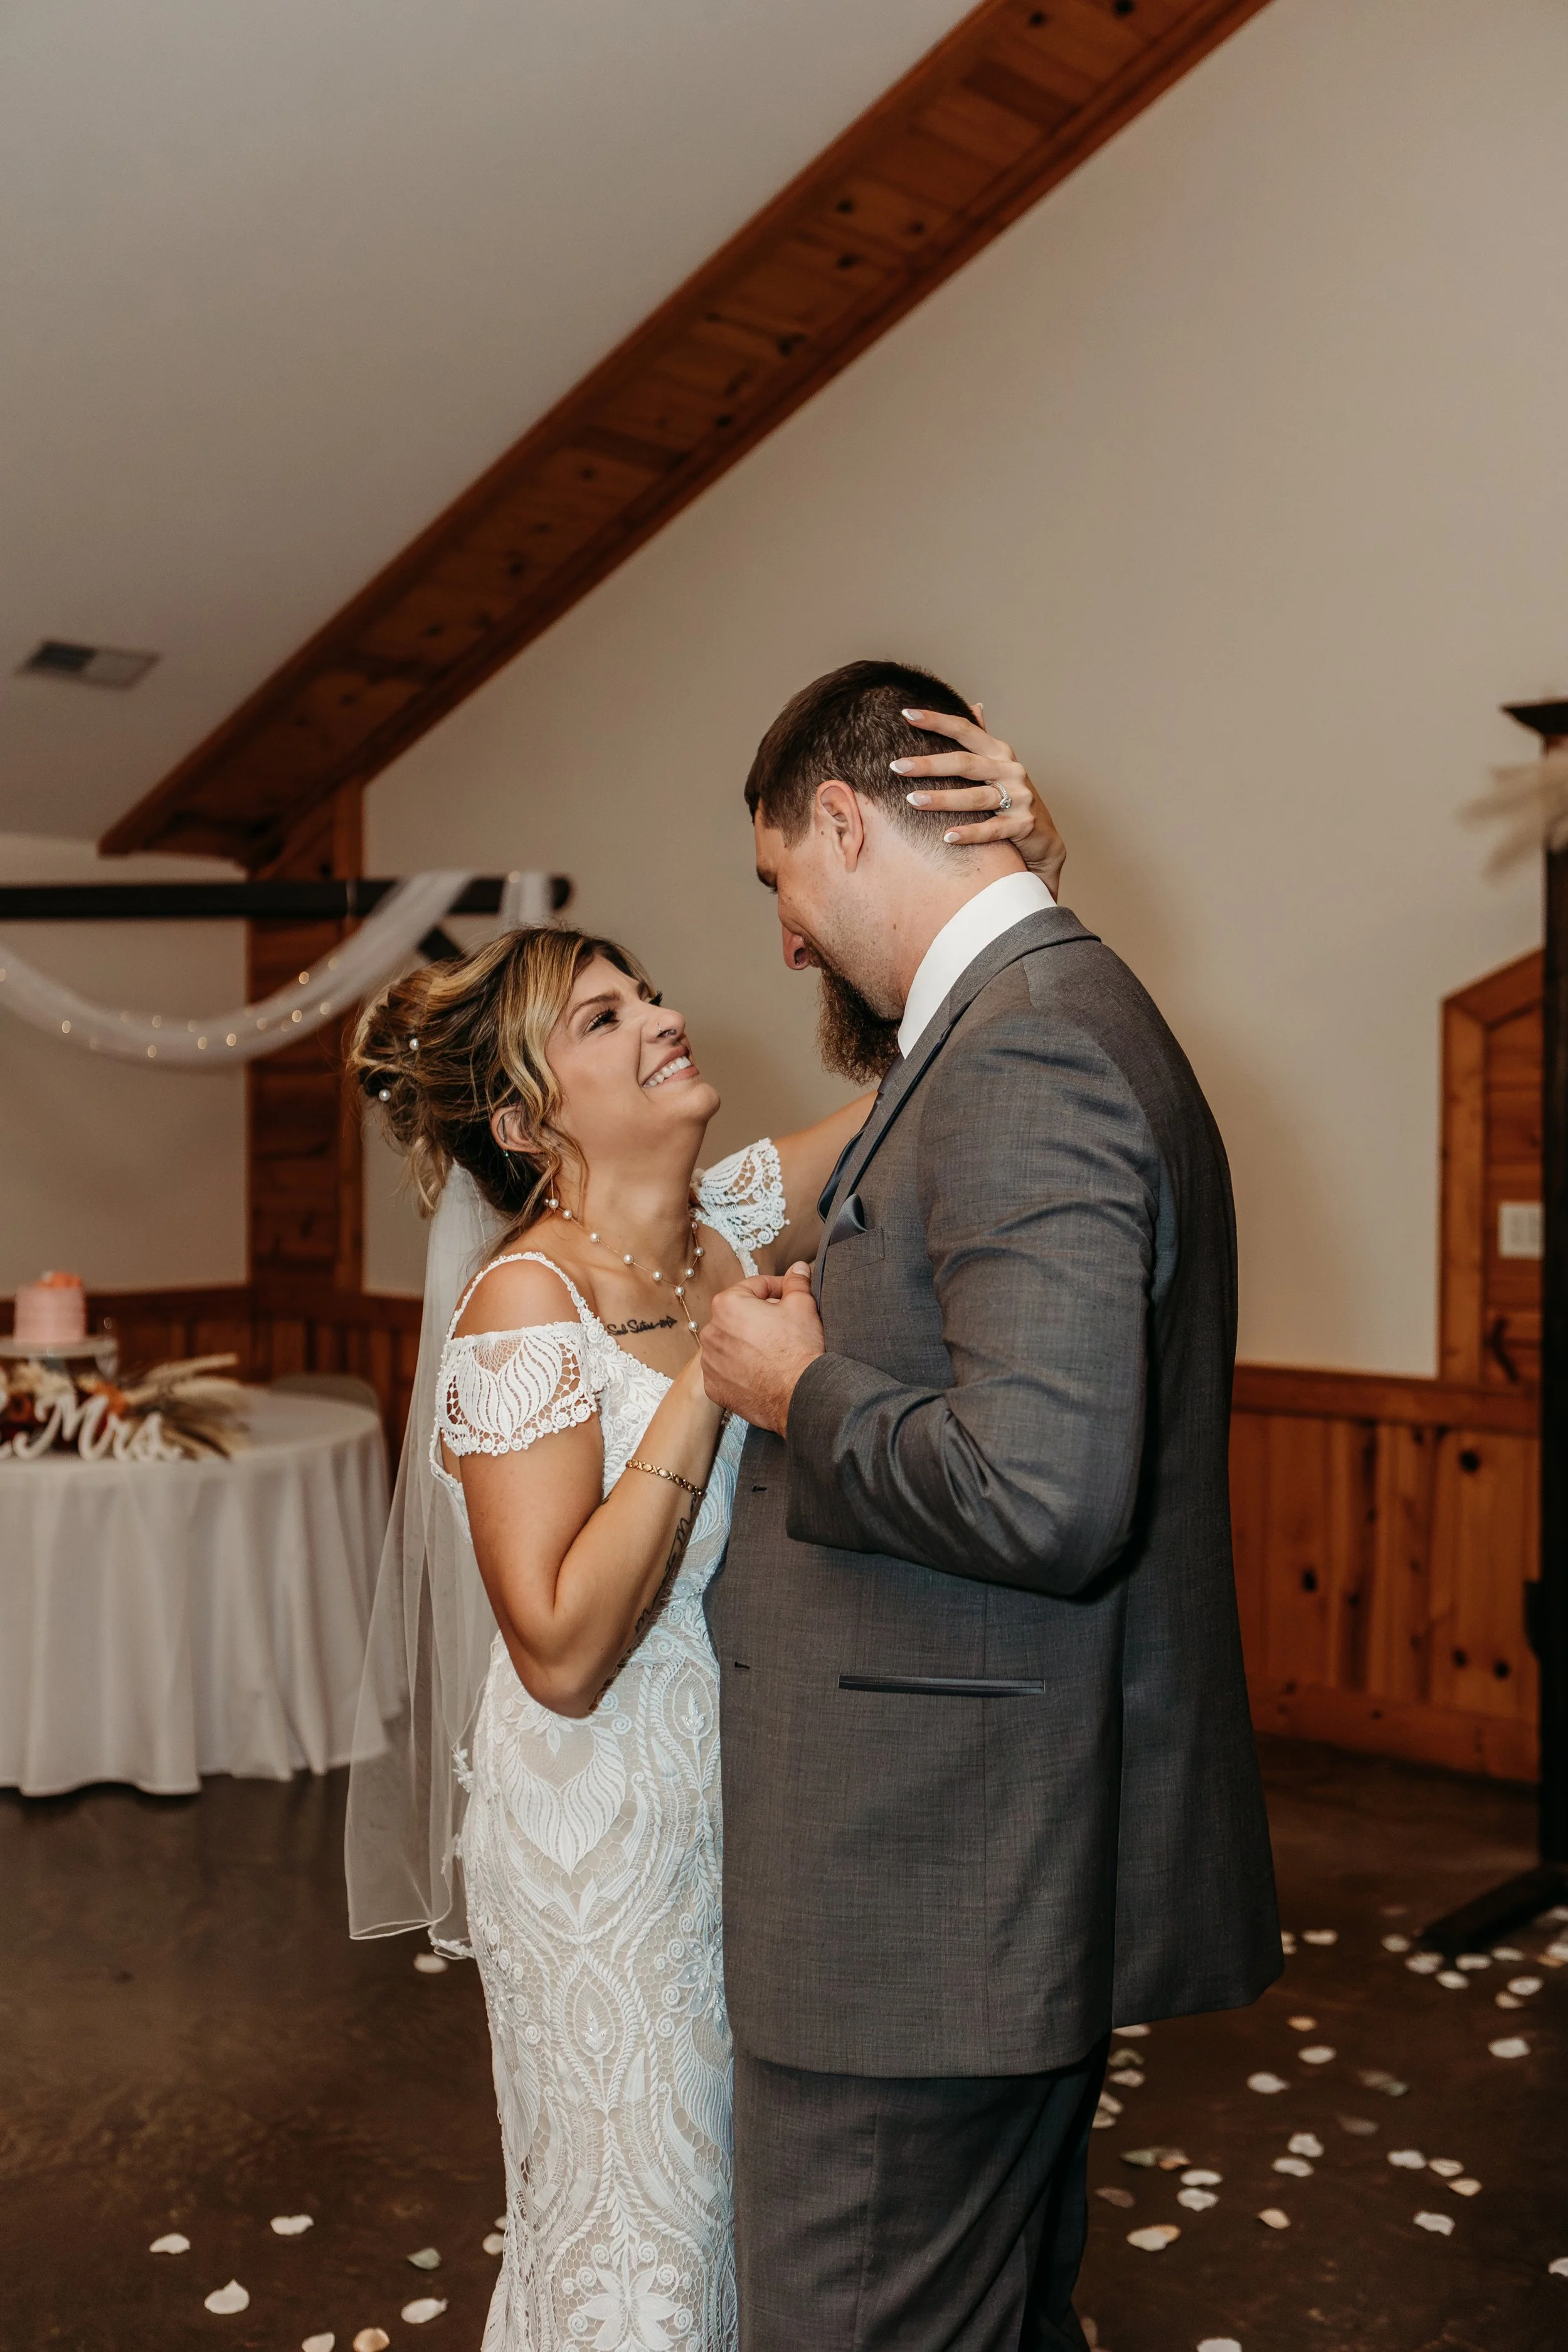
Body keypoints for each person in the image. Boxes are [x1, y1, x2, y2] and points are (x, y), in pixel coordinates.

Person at [342, 732, 1064, 2352]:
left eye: (645, 990)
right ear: (532, 1122)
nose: (662, 1014)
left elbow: (936, 1073)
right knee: (644, 2249)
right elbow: (560, 1645)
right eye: (604, 1019)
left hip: (740, 1805)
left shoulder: (725, 1213)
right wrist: (709, 1387)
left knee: (745, 2234)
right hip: (594, 1835)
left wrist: (1020, 876)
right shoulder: (520, 1304)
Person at [699, 659, 1281, 2351]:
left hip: (925, 1892)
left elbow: (1042, 1490)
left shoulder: (1028, 1054)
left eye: (779, 882)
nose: (788, 937)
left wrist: (792, 1393)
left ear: (837, 818)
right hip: (971, 1861)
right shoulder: (1018, 1025)